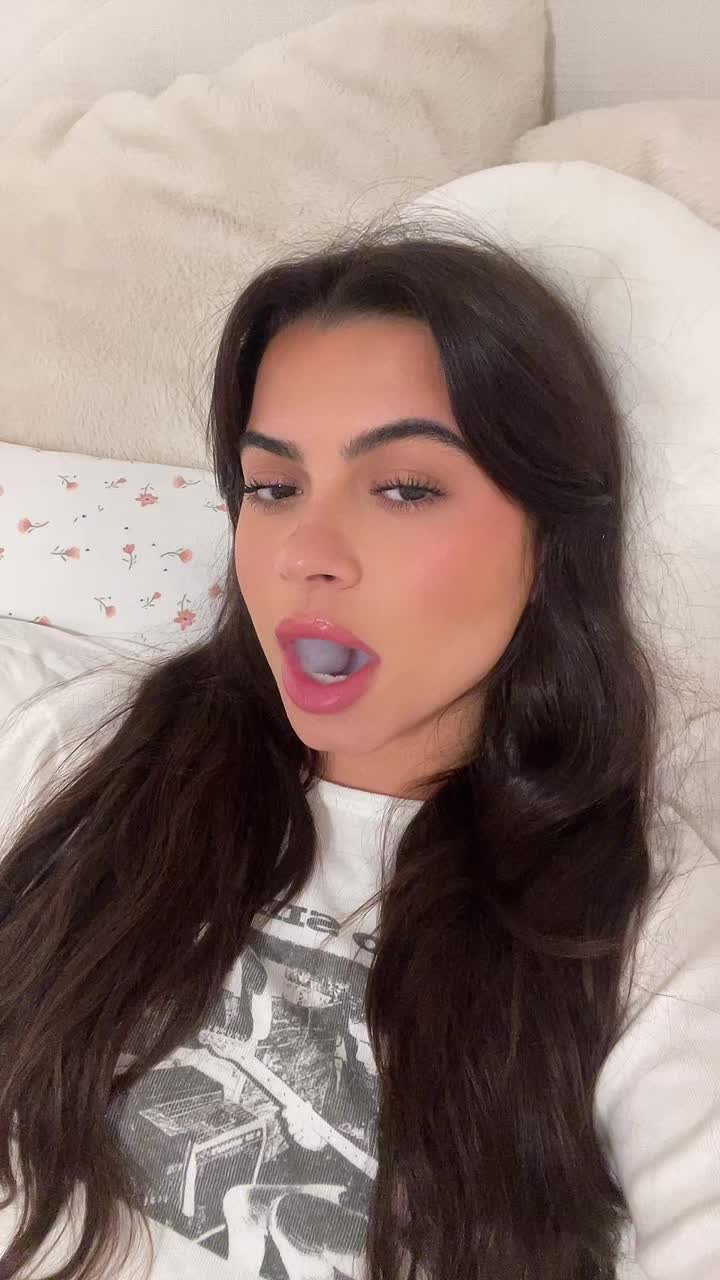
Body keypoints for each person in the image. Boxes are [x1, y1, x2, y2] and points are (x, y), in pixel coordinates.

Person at [0, 209, 718, 1280]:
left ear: (554, 533)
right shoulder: (76, 752)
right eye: (272, 487)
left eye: (404, 488)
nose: (306, 552)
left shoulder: (651, 933)